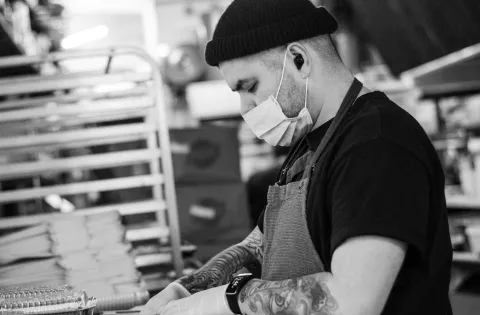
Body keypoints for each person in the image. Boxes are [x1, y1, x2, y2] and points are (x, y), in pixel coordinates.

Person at [141, 1, 452, 315]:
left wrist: (231, 298)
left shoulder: (377, 144)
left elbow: (352, 302)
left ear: (299, 60)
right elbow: (259, 246)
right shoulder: (308, 143)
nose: (245, 108)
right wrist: (189, 289)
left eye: (249, 87)